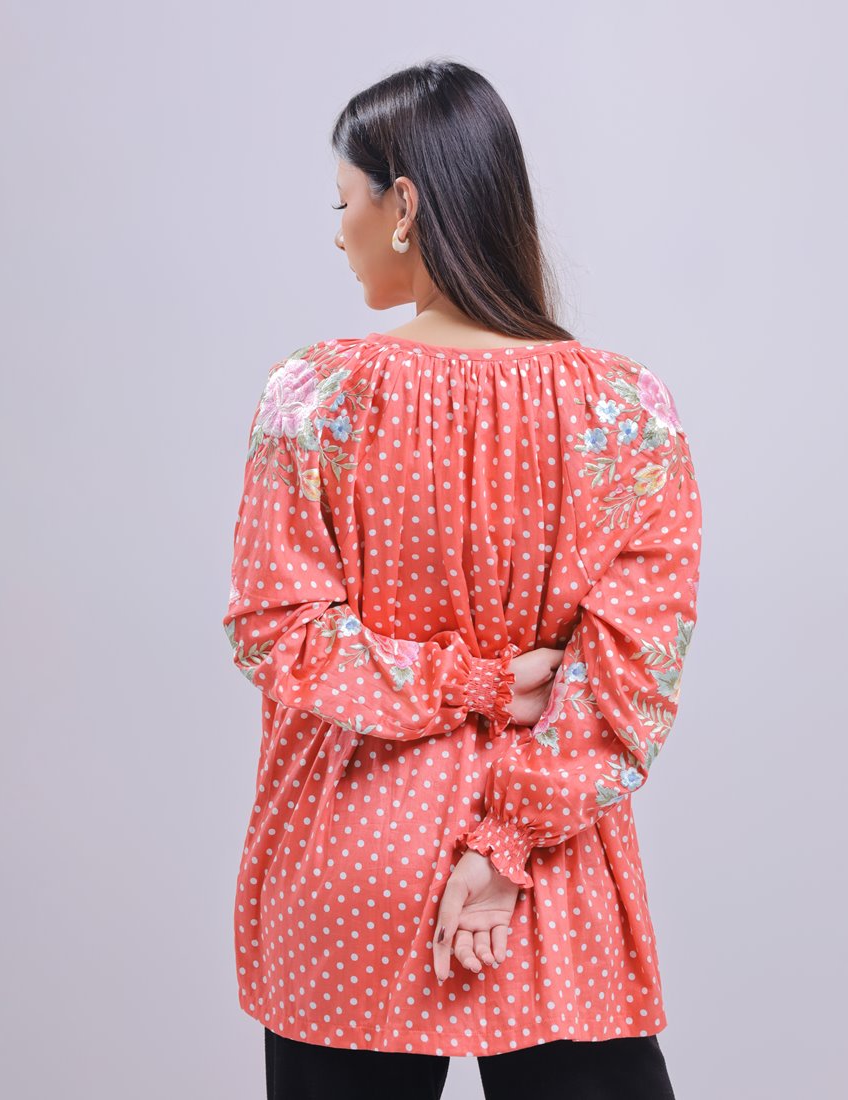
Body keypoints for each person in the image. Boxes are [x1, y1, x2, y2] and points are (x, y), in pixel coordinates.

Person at [222, 59, 701, 1100]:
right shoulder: (627, 409)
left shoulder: (314, 395)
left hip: (353, 858)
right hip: (551, 869)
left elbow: (278, 631)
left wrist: (452, 685)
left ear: (402, 205)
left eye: (342, 202)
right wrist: (502, 838)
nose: (337, 232)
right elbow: (632, 673)